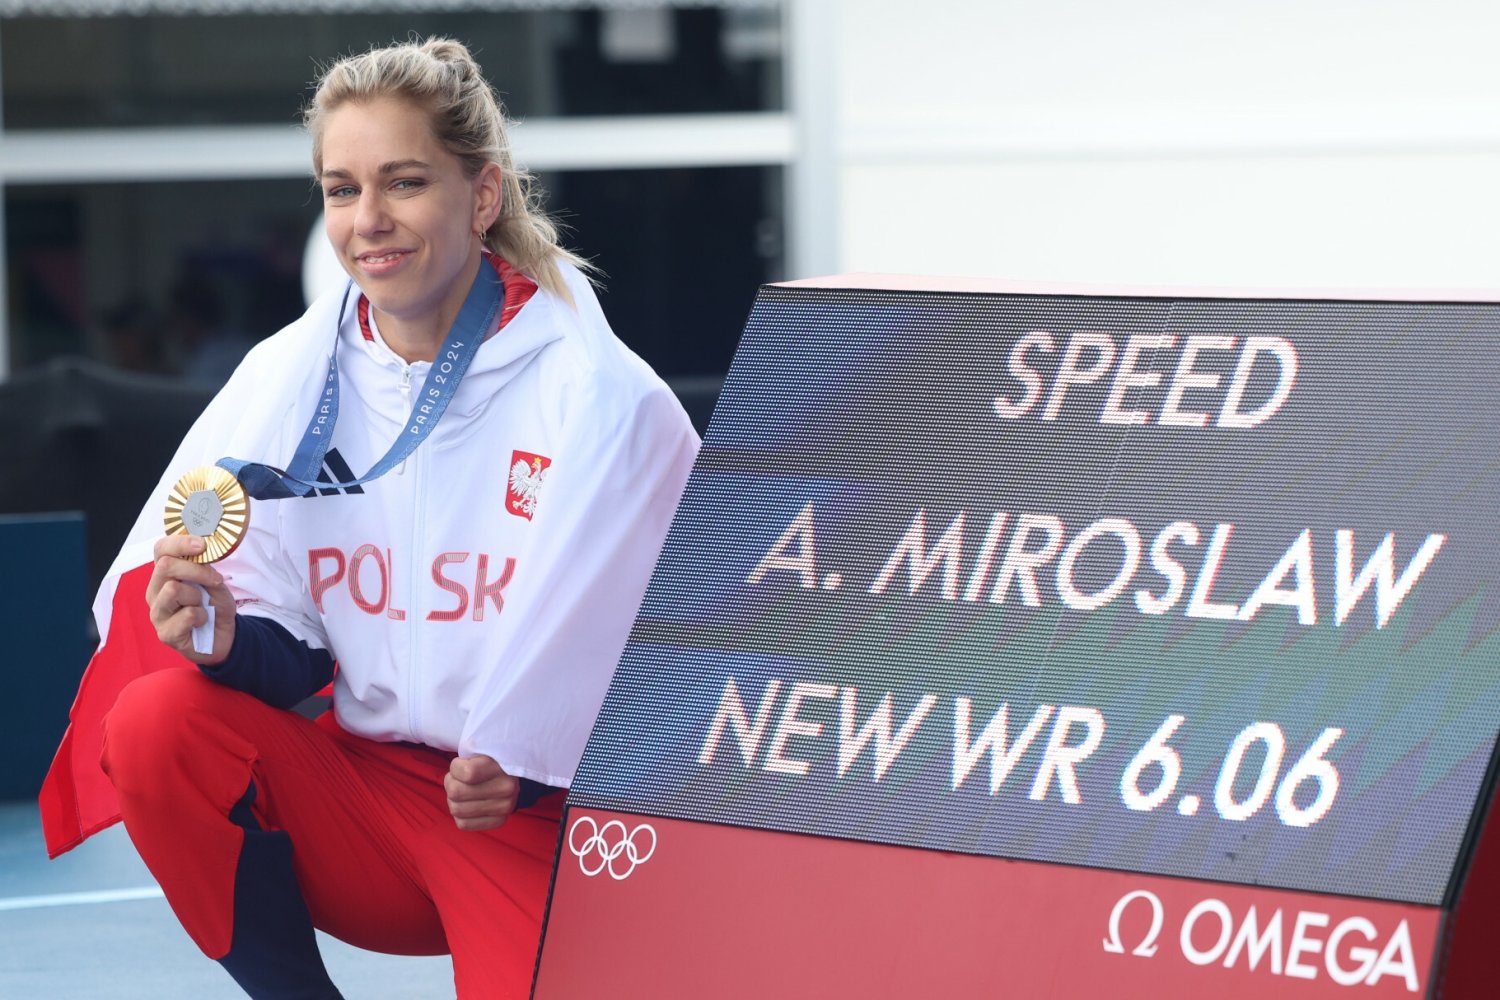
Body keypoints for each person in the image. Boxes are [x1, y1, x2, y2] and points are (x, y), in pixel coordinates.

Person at [39, 37, 699, 1000]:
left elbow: (688, 657)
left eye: (403, 182)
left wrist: (538, 763)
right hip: (363, 804)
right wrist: (221, 635)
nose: (369, 221)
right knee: (158, 721)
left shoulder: (601, 397)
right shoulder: (292, 377)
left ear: (482, 197)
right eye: (341, 188)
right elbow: (300, 646)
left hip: (525, 825)